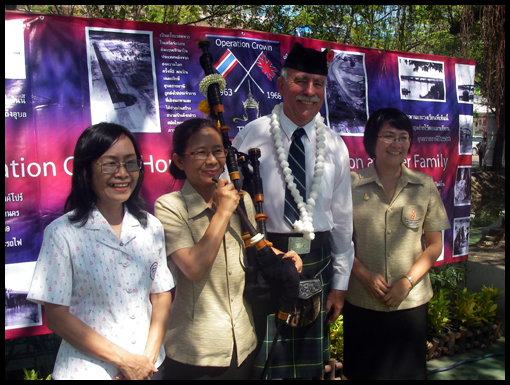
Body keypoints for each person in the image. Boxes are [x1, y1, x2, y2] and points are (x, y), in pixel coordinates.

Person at [232, 42, 354, 379]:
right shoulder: (251, 135)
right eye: (301, 81)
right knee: (262, 360)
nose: (310, 92)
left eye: (318, 84)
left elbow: (342, 218)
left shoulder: (334, 144)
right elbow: (233, 206)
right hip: (265, 258)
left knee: (307, 365)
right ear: (282, 84)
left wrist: (340, 284)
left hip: (316, 258)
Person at [154, 118, 301, 380]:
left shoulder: (240, 199)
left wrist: (282, 255)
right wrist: (223, 211)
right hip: (195, 349)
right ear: (179, 161)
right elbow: (194, 268)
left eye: (218, 151)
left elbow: (252, 246)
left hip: (243, 342)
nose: (212, 161)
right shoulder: (169, 206)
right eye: (200, 153)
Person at [27, 122, 174, 380]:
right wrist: (125, 362)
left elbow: (161, 296)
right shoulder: (63, 233)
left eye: (131, 163)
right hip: (88, 371)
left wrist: (146, 361)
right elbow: (57, 317)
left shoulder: (151, 227)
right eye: (109, 164)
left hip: (149, 369)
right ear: (86, 170)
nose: (122, 173)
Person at [343, 108, 451, 380]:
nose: (397, 144)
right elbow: (340, 241)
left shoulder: (424, 186)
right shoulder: (350, 185)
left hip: (410, 303)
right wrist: (362, 273)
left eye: (403, 137)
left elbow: (434, 245)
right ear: (371, 141)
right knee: (363, 371)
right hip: (362, 300)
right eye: (388, 136)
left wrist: (407, 282)